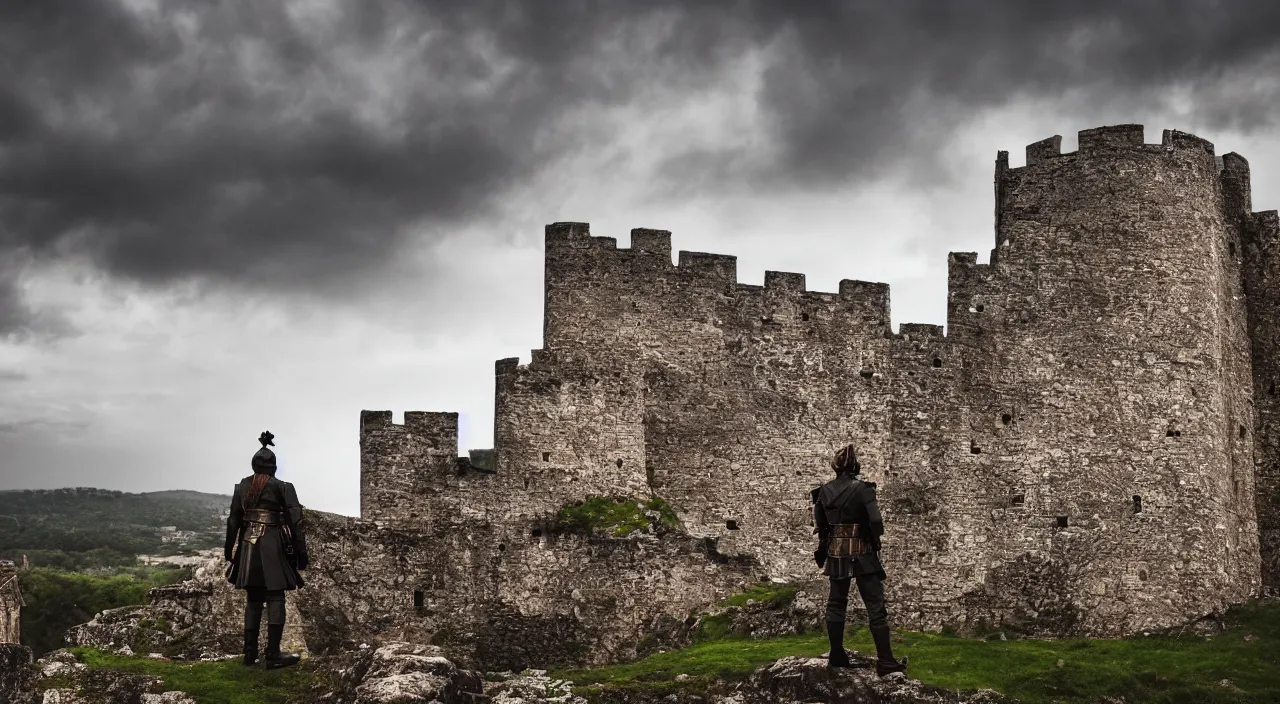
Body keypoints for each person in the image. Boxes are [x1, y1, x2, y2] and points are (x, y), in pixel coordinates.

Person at [811, 444, 907, 676]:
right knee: (875, 607)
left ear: (835, 467)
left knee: (836, 603)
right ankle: (885, 661)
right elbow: (876, 522)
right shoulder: (864, 489)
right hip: (862, 551)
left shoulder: (822, 492)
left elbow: (821, 527)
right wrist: (873, 538)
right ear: (855, 466)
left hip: (836, 551)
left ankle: (836, 654)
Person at [224, 431, 308, 669]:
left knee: (253, 599)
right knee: (275, 597)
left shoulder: (242, 487)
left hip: (249, 545)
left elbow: (233, 521)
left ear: (253, 465)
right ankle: (272, 654)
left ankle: (249, 654)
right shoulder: (283, 487)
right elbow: (296, 522)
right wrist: (301, 555)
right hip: (273, 543)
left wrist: (229, 551)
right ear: (274, 468)